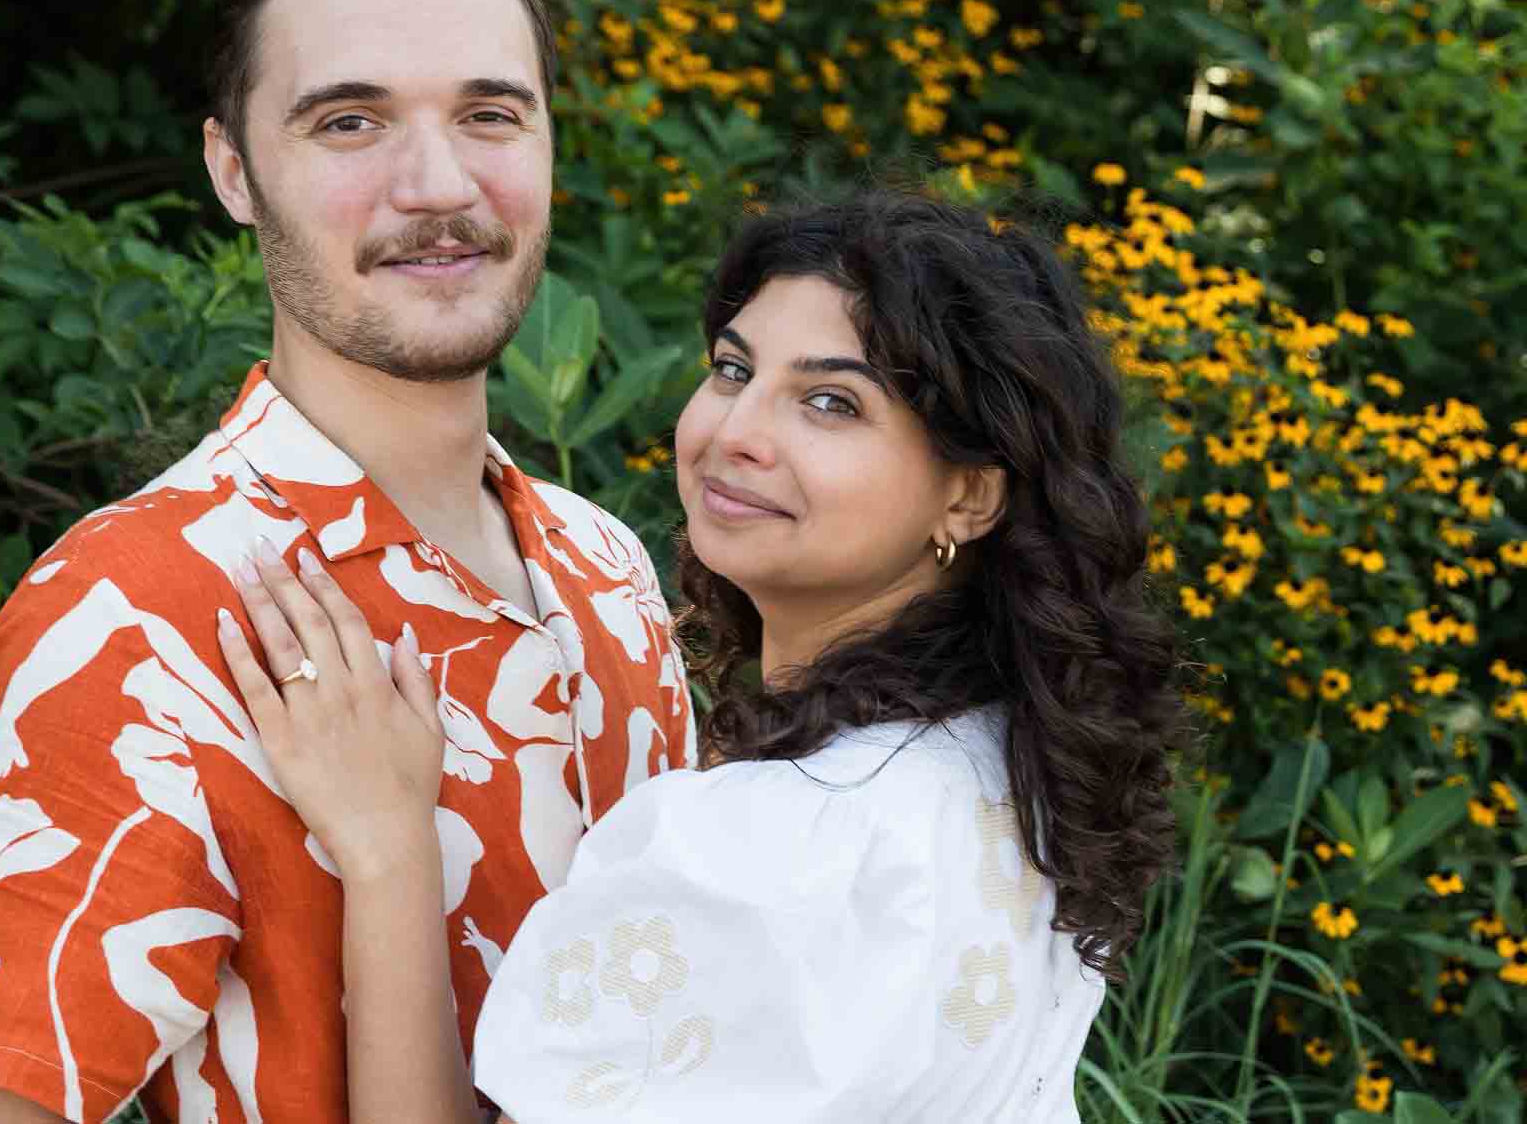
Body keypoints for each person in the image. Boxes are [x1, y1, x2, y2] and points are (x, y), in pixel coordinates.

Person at [0, 0, 695, 1124]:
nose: (437, 185)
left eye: (489, 113)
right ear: (231, 169)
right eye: (348, 124)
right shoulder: (141, 611)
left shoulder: (609, 570)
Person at [221, 188, 1193, 1122]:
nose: (736, 432)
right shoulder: (1002, 772)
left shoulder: (751, 848)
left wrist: (389, 848)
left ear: (968, 498)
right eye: (733, 370)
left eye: (829, 405)